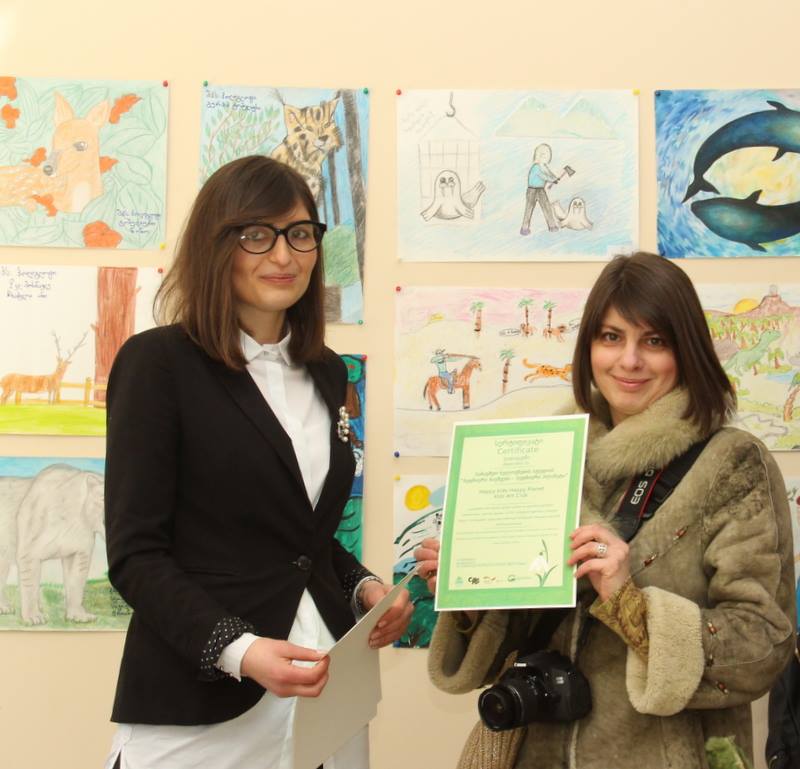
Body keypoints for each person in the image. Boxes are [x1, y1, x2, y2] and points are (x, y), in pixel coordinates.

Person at [416, 252, 795, 769]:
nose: (629, 360)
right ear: (589, 347)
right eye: (611, 337)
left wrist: (629, 602)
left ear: (686, 350)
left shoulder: (732, 464)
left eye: (654, 341)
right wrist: (469, 589)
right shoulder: (544, 454)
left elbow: (762, 645)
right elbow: (515, 638)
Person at [104, 155, 412, 769]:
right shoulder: (158, 364)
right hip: (205, 694)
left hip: (329, 690)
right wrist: (240, 650)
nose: (284, 255)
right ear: (215, 246)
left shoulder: (329, 371)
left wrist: (363, 589)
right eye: (256, 235)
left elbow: (302, 538)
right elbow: (136, 556)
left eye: (300, 234)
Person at [520, 143, 559, 235]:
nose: (546, 158)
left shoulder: (544, 167)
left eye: (547, 156)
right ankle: (524, 228)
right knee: (529, 209)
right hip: (532, 191)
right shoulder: (536, 167)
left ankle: (552, 226)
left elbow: (549, 173)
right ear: (538, 155)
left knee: (547, 207)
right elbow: (543, 176)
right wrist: (552, 180)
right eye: (543, 155)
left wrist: (555, 178)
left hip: (541, 190)